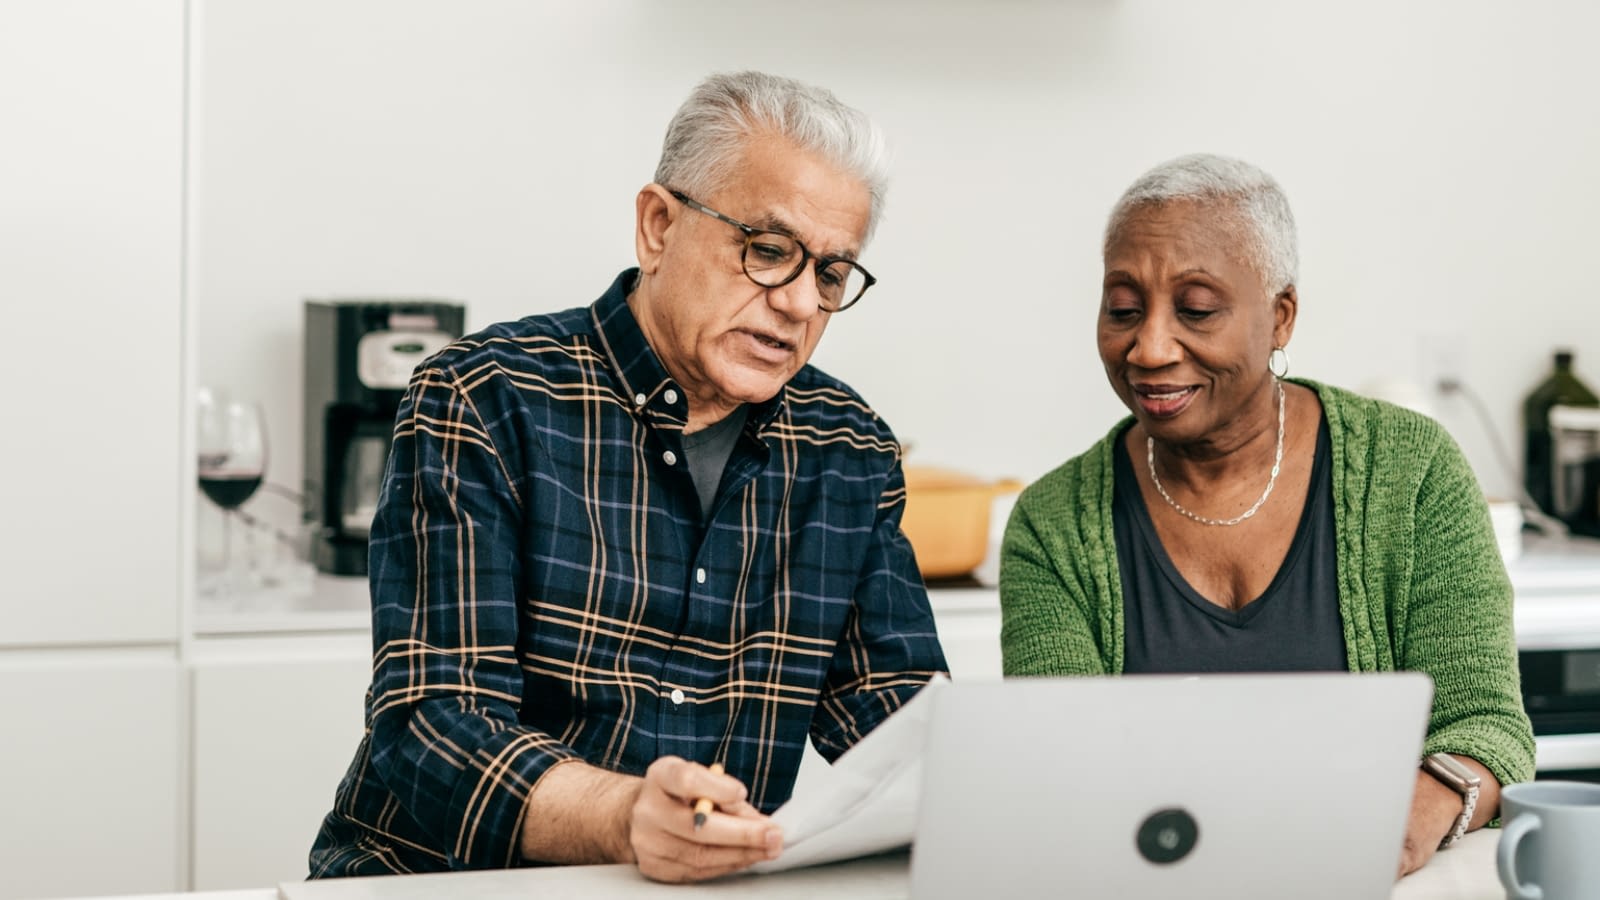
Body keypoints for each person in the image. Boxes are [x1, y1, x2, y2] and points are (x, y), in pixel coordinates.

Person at [308, 71, 948, 884]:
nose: (798, 304)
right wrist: (626, 817)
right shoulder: (485, 397)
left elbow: (903, 732)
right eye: (768, 251)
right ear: (658, 227)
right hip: (439, 880)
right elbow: (435, 725)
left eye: (830, 274)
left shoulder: (849, 449)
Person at [999, 153, 1533, 877]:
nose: (1149, 348)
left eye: (1196, 310)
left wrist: (1415, 814)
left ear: (1280, 317)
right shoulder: (1052, 525)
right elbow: (1063, 766)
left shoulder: (1413, 472)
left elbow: (1486, 724)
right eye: (1123, 310)